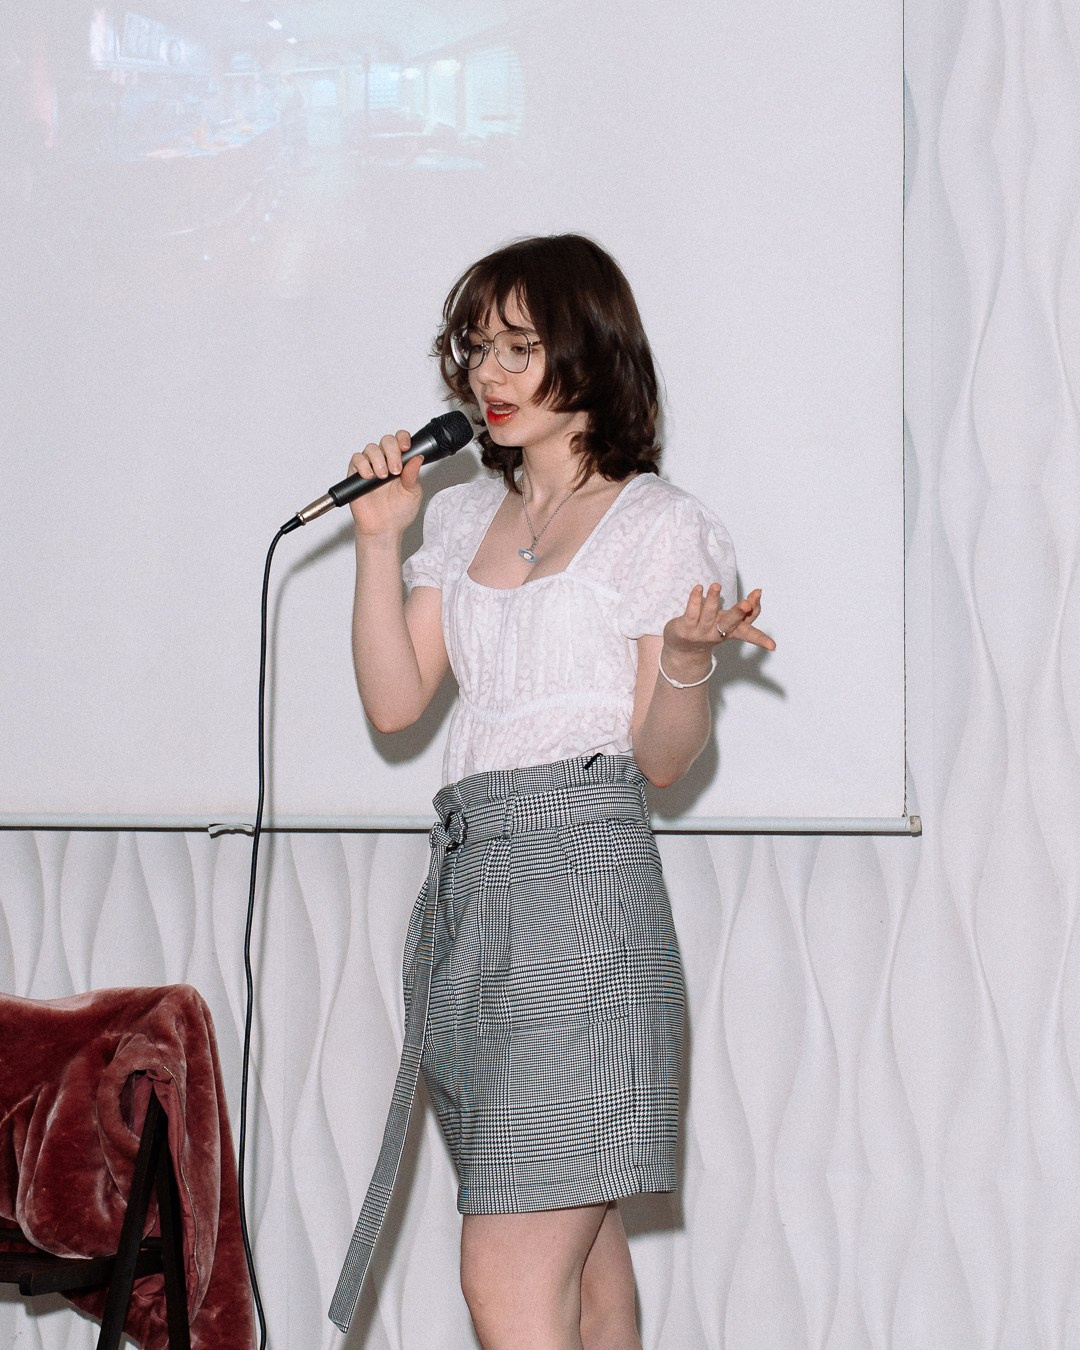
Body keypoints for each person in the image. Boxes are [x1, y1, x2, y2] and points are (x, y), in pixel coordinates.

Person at [331, 234, 774, 1349]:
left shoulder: (658, 524)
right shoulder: (462, 519)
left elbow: (663, 759)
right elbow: (396, 702)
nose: (489, 374)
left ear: (590, 355)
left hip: (583, 898)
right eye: (476, 348)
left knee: (508, 1276)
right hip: (473, 901)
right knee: (586, 1263)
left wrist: (685, 660)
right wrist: (379, 544)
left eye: (520, 348)